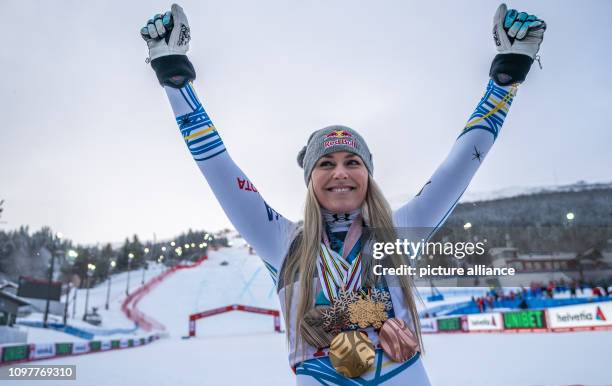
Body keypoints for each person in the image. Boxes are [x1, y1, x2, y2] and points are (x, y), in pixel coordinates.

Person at [140, 3, 546, 385]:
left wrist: (504, 81)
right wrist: (176, 80)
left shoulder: (396, 234)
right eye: (325, 163)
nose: (340, 173)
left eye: (353, 162)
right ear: (310, 177)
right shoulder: (281, 243)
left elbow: (460, 164)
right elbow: (218, 167)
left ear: (368, 175)